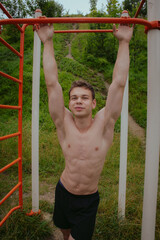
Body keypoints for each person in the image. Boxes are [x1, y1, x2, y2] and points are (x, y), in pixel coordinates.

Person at [36, 17, 133, 240]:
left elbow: (118, 83)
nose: (78, 101)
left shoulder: (105, 124)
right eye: (74, 98)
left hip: (88, 200)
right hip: (63, 191)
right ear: (69, 103)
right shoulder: (63, 122)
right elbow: (52, 83)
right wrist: (47, 42)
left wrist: (124, 43)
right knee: (63, 230)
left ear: (93, 103)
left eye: (84, 97)